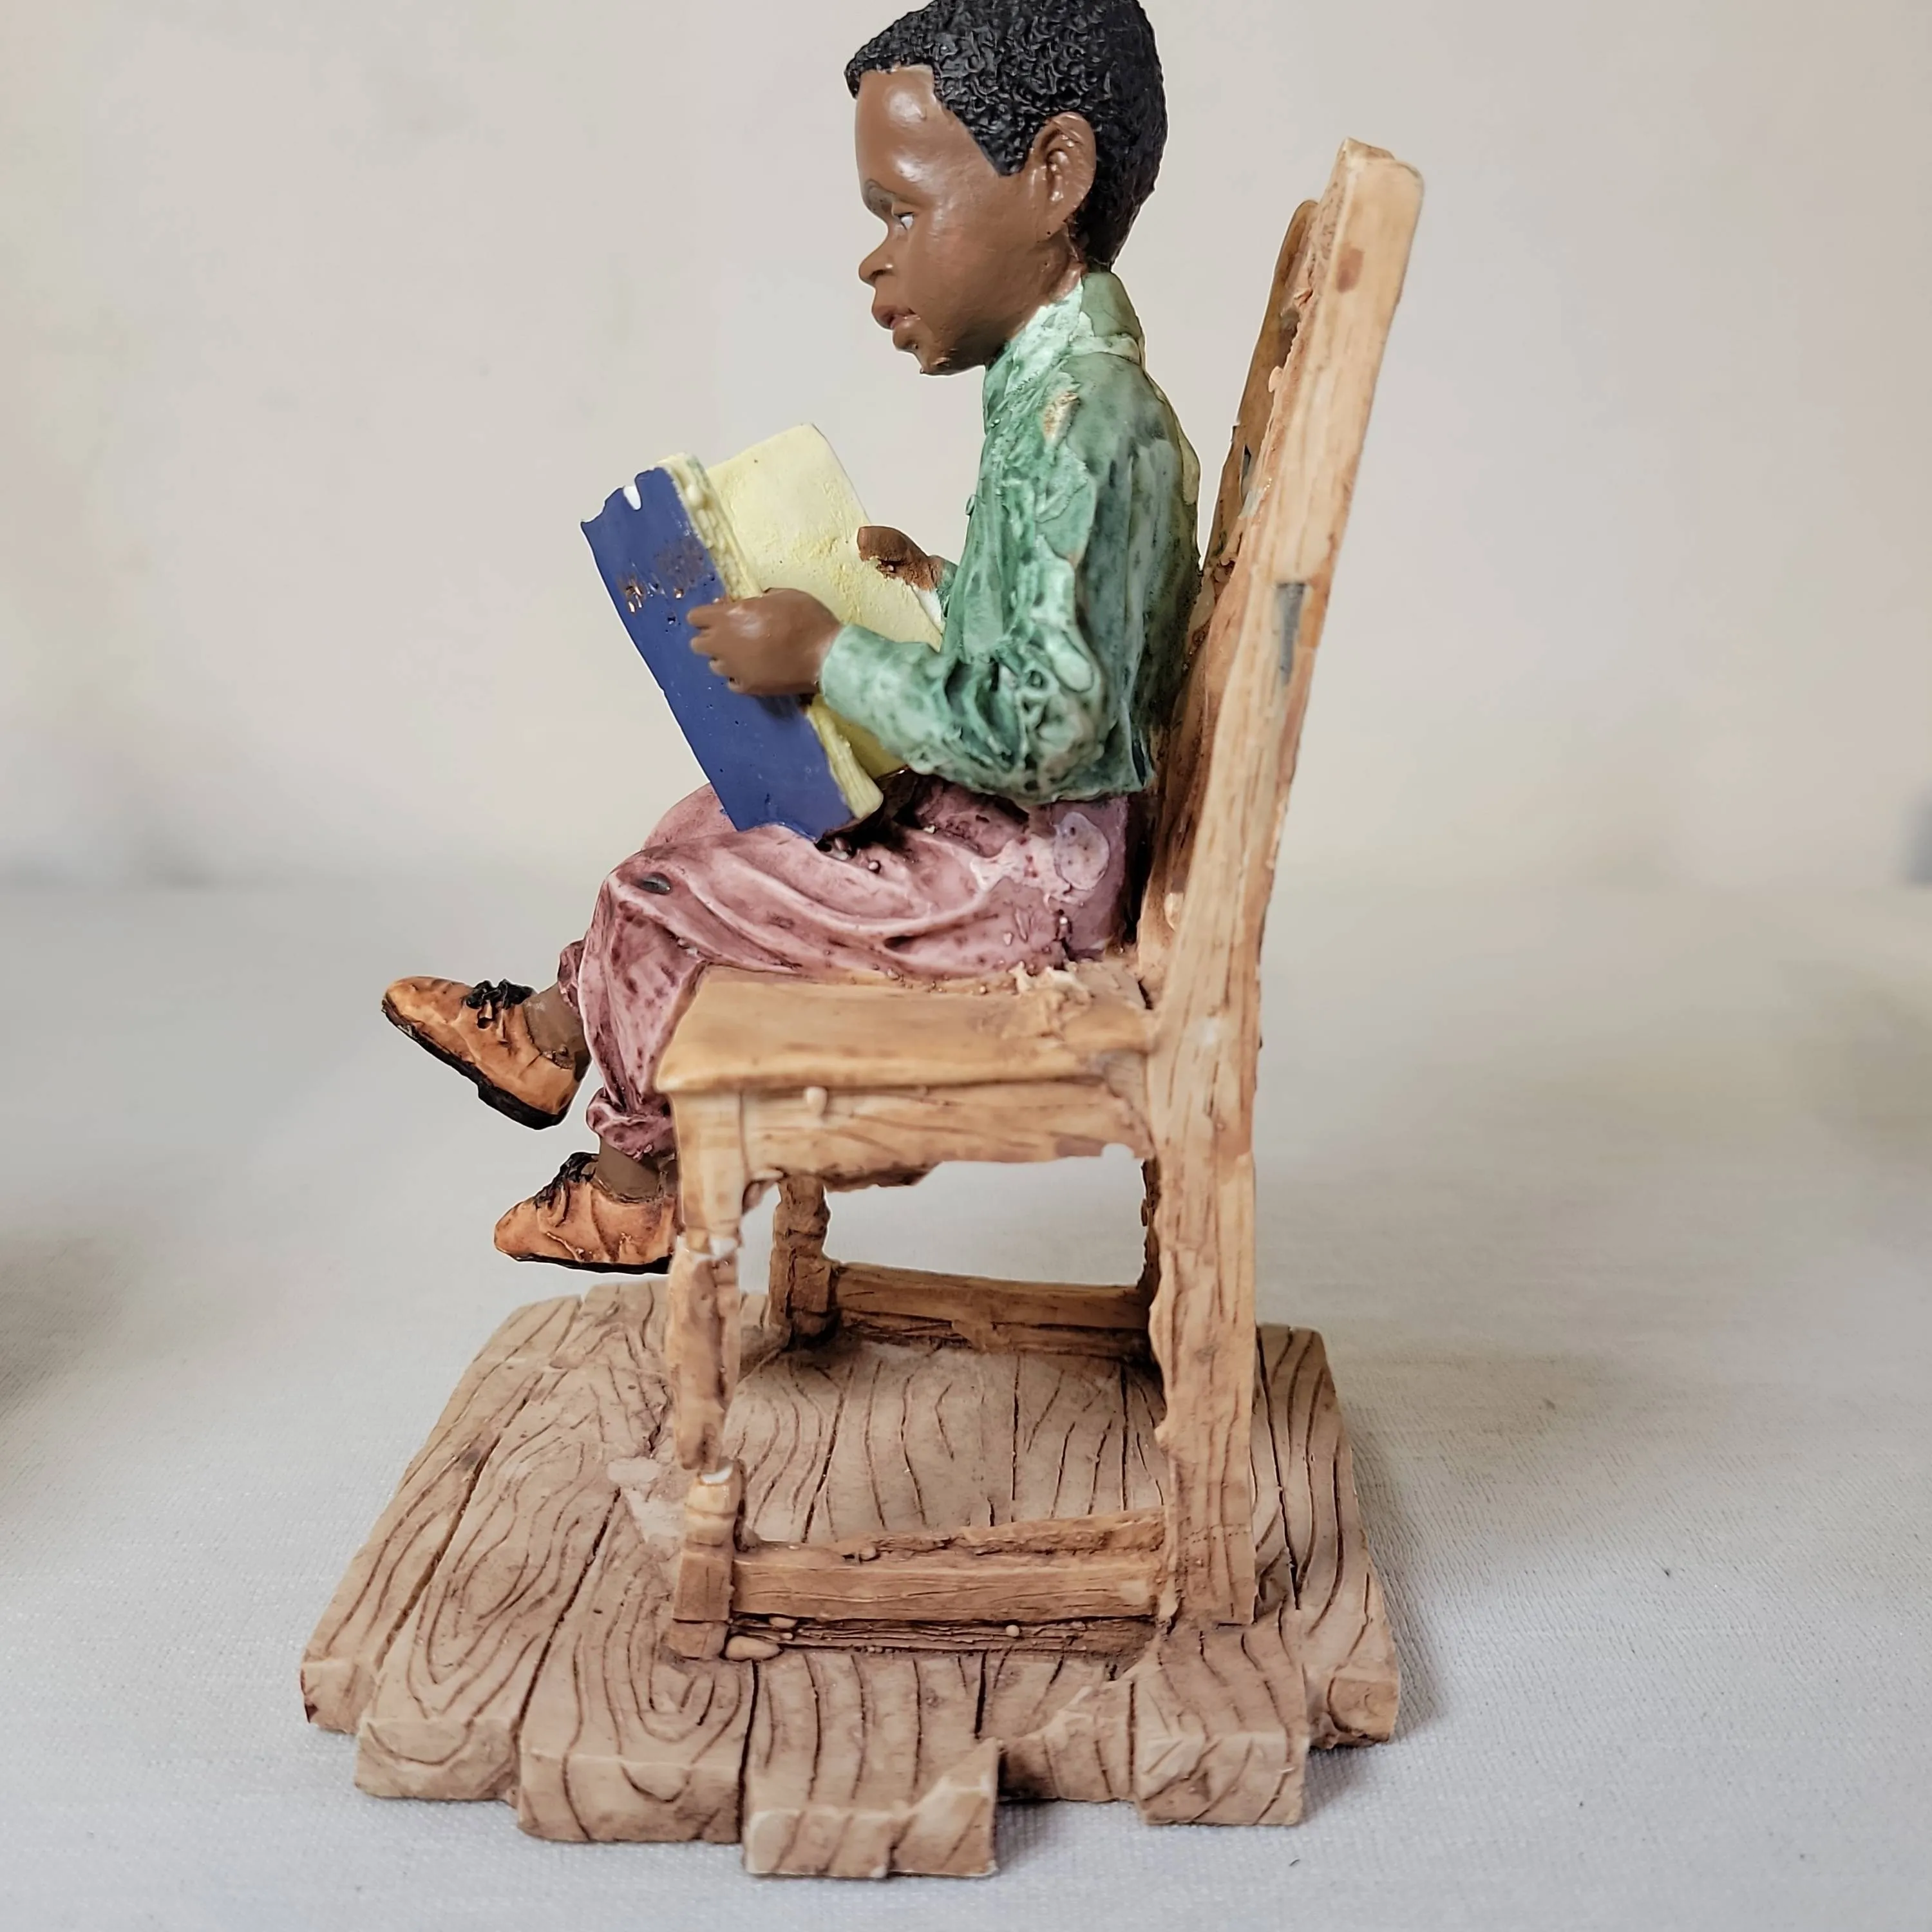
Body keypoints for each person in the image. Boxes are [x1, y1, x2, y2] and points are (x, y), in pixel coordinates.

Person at [382, 0, 1200, 1271]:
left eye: (901, 212)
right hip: (1016, 834)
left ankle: (635, 1180)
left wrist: (831, 656)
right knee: (708, 824)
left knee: (680, 886)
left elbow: (1051, 726)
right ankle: (548, 1036)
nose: (876, 260)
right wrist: (937, 584)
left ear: (1054, 175)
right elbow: (1078, 627)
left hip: (1028, 881)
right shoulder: (1058, 394)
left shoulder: (1086, 424)